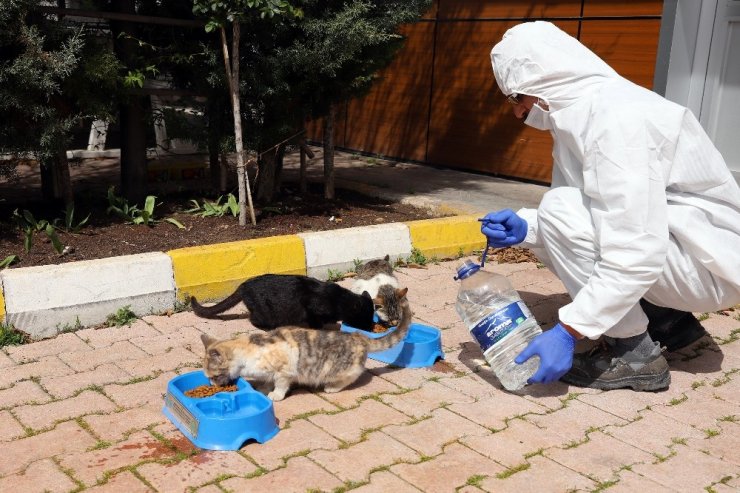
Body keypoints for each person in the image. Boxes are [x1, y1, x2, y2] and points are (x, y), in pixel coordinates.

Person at [481, 21, 740, 391]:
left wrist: (570, 330)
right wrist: (529, 229)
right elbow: (598, 215)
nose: (517, 113)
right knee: (557, 215)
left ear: (538, 83)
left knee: (559, 210)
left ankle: (635, 353)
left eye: (516, 98)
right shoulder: (584, 113)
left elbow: (635, 250)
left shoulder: (616, 120)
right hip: (692, 248)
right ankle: (667, 319)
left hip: (709, 265)